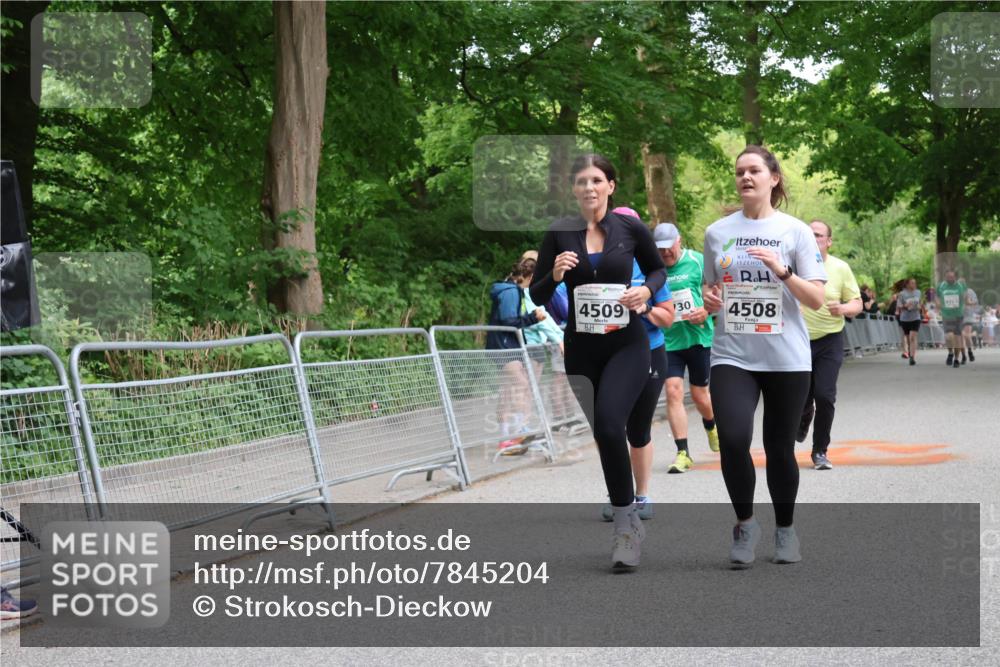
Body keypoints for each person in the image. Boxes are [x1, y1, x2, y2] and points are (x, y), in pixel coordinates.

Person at [530, 154, 666, 571]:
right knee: (605, 436)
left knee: (611, 424)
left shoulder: (629, 228)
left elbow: (658, 271)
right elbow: (536, 295)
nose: (588, 187)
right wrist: (554, 275)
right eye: (581, 181)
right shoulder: (559, 232)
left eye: (596, 180)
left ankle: (625, 527)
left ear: (610, 186)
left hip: (627, 344)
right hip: (582, 350)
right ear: (573, 189)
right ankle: (627, 516)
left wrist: (646, 293)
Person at [702, 145, 826, 566]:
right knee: (734, 439)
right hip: (732, 354)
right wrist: (711, 299)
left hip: (786, 358)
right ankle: (745, 524)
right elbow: (710, 288)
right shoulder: (717, 232)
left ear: (774, 179)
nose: (745, 177)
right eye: (740, 171)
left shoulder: (796, 232)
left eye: (754, 170)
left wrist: (782, 270)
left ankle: (785, 529)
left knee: (778, 447)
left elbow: (816, 299)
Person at [598, 207, 675, 522]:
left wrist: (644, 308)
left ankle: (641, 495)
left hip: (648, 353)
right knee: (608, 427)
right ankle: (620, 495)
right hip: (607, 354)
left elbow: (668, 318)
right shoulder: (595, 263)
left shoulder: (648, 267)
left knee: (637, 428)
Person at [654, 222, 720, 474]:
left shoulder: (697, 261)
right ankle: (683, 452)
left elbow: (714, 294)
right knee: (673, 391)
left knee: (700, 395)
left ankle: (711, 425)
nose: (665, 253)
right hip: (668, 341)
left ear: (678, 240)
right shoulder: (654, 268)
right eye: (660, 249)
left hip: (698, 338)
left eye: (668, 247)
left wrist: (705, 311)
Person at [797, 220, 862, 471]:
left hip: (829, 340)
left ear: (829, 241)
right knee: (800, 397)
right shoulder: (792, 266)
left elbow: (857, 303)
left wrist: (843, 308)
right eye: (809, 234)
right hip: (797, 341)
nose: (813, 239)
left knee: (824, 396)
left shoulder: (840, 268)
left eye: (818, 235)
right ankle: (804, 415)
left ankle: (820, 451)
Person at [487, 260, 547, 448]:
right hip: (503, 346)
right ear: (531, 277)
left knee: (507, 389)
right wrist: (533, 318)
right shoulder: (511, 292)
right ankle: (518, 430)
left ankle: (506, 436)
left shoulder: (513, 290)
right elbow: (508, 321)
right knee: (521, 384)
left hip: (507, 345)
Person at [936, 269, 966, 369]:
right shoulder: (941, 286)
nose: (950, 279)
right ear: (945, 277)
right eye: (948, 277)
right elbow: (937, 297)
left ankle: (956, 359)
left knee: (957, 338)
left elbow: (964, 297)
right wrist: (938, 304)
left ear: (955, 277)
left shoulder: (960, 285)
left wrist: (962, 304)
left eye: (952, 277)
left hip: (958, 315)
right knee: (949, 337)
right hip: (946, 315)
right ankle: (950, 353)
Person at [895, 278, 922, 366]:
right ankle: (910, 351)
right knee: (908, 338)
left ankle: (912, 357)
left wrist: (919, 306)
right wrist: (905, 306)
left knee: (912, 337)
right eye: (912, 283)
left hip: (916, 317)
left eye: (915, 283)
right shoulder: (902, 294)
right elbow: (899, 306)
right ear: (907, 285)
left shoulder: (918, 292)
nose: (914, 285)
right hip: (905, 319)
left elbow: (920, 303)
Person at [961, 286, 980, 363]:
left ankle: (969, 351)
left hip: (968, 315)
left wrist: (968, 302)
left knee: (966, 335)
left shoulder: (970, 291)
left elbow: (975, 303)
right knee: (961, 336)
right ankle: (963, 356)